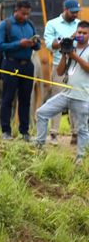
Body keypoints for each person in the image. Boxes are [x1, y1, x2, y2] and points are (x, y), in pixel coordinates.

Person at [34, 20, 89, 164]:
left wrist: (73, 56)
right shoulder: (71, 48)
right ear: (75, 33)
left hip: (82, 96)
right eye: (79, 32)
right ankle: (39, 146)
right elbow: (59, 71)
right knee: (42, 113)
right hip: (66, 94)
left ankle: (80, 157)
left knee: (82, 128)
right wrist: (65, 54)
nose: (81, 35)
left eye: (84, 33)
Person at [0, 0, 40, 141]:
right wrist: (19, 44)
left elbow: (38, 47)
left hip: (27, 65)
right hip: (11, 64)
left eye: (28, 14)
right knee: (8, 98)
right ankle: (6, 131)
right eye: (23, 14)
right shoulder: (5, 25)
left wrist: (34, 43)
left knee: (25, 99)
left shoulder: (30, 25)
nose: (25, 17)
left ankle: (24, 132)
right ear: (16, 10)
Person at [44, 0, 80, 145]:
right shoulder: (52, 24)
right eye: (73, 12)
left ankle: (76, 133)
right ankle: (54, 134)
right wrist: (64, 42)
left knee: (76, 99)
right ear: (65, 9)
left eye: (77, 12)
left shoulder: (80, 25)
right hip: (60, 66)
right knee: (57, 99)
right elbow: (49, 45)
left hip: (77, 66)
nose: (75, 15)